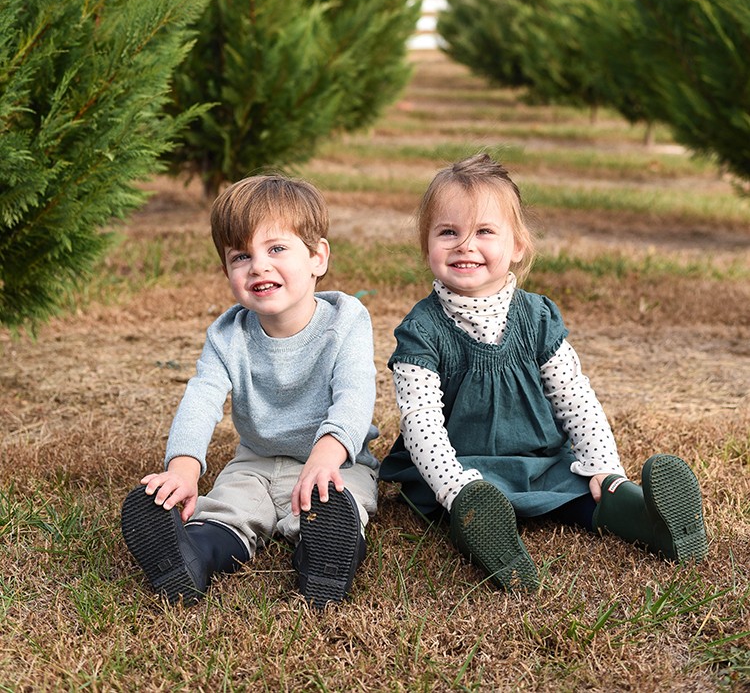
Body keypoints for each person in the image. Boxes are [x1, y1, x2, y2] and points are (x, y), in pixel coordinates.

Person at [379, 153, 707, 591]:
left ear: (517, 245)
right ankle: (492, 539)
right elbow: (421, 423)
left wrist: (604, 468)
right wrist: (453, 484)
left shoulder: (536, 317)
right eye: (448, 232)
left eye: (484, 232)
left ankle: (650, 520)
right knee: (466, 505)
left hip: (541, 462)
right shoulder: (422, 330)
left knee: (586, 494)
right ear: (427, 246)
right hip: (462, 468)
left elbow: (574, 397)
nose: (465, 245)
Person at [121, 173, 379, 608]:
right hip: (255, 461)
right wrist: (183, 469)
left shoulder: (345, 320)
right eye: (241, 256)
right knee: (227, 510)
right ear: (227, 271)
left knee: (336, 504)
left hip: (336, 462)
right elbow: (201, 400)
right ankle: (192, 559)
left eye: (277, 248)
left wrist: (327, 454)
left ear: (318, 256)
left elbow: (355, 394)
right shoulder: (227, 335)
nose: (258, 266)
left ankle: (325, 558)